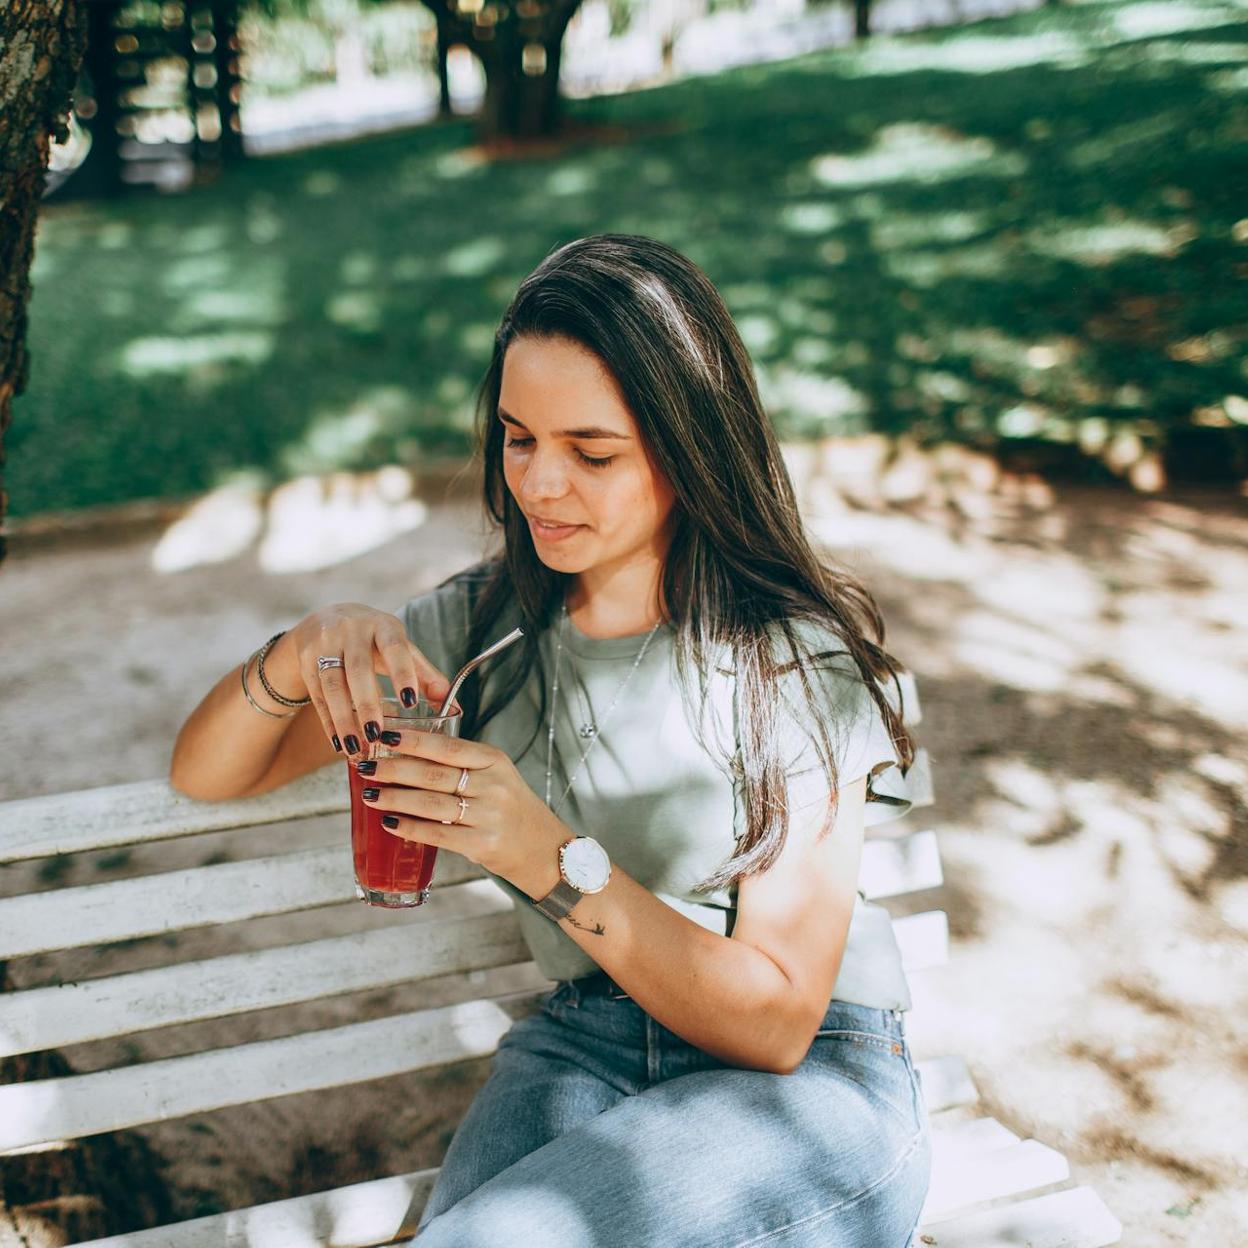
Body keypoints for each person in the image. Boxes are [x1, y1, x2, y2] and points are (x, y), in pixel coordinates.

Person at [170, 233, 932, 1246]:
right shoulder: (483, 633)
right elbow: (208, 773)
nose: (540, 484)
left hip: (812, 1089)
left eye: (592, 451)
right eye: (517, 438)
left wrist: (543, 854)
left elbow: (776, 1022)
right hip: (586, 1044)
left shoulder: (785, 661)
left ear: (688, 445)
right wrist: (297, 651)